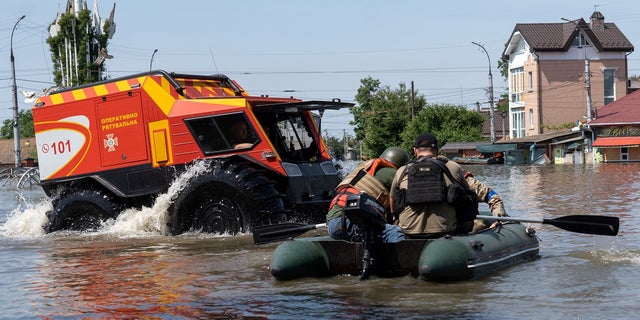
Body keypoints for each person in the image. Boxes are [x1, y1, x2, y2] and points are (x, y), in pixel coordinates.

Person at [390, 132, 475, 238]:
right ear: (437, 150)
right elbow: (469, 197)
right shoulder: (453, 167)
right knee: (469, 222)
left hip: (409, 232)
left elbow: (393, 208)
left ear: (415, 151)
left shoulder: (402, 171)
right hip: (444, 231)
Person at [326, 147, 410, 243]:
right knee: (393, 231)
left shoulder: (367, 169)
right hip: (346, 221)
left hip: (335, 222)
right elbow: (412, 186)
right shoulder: (390, 173)